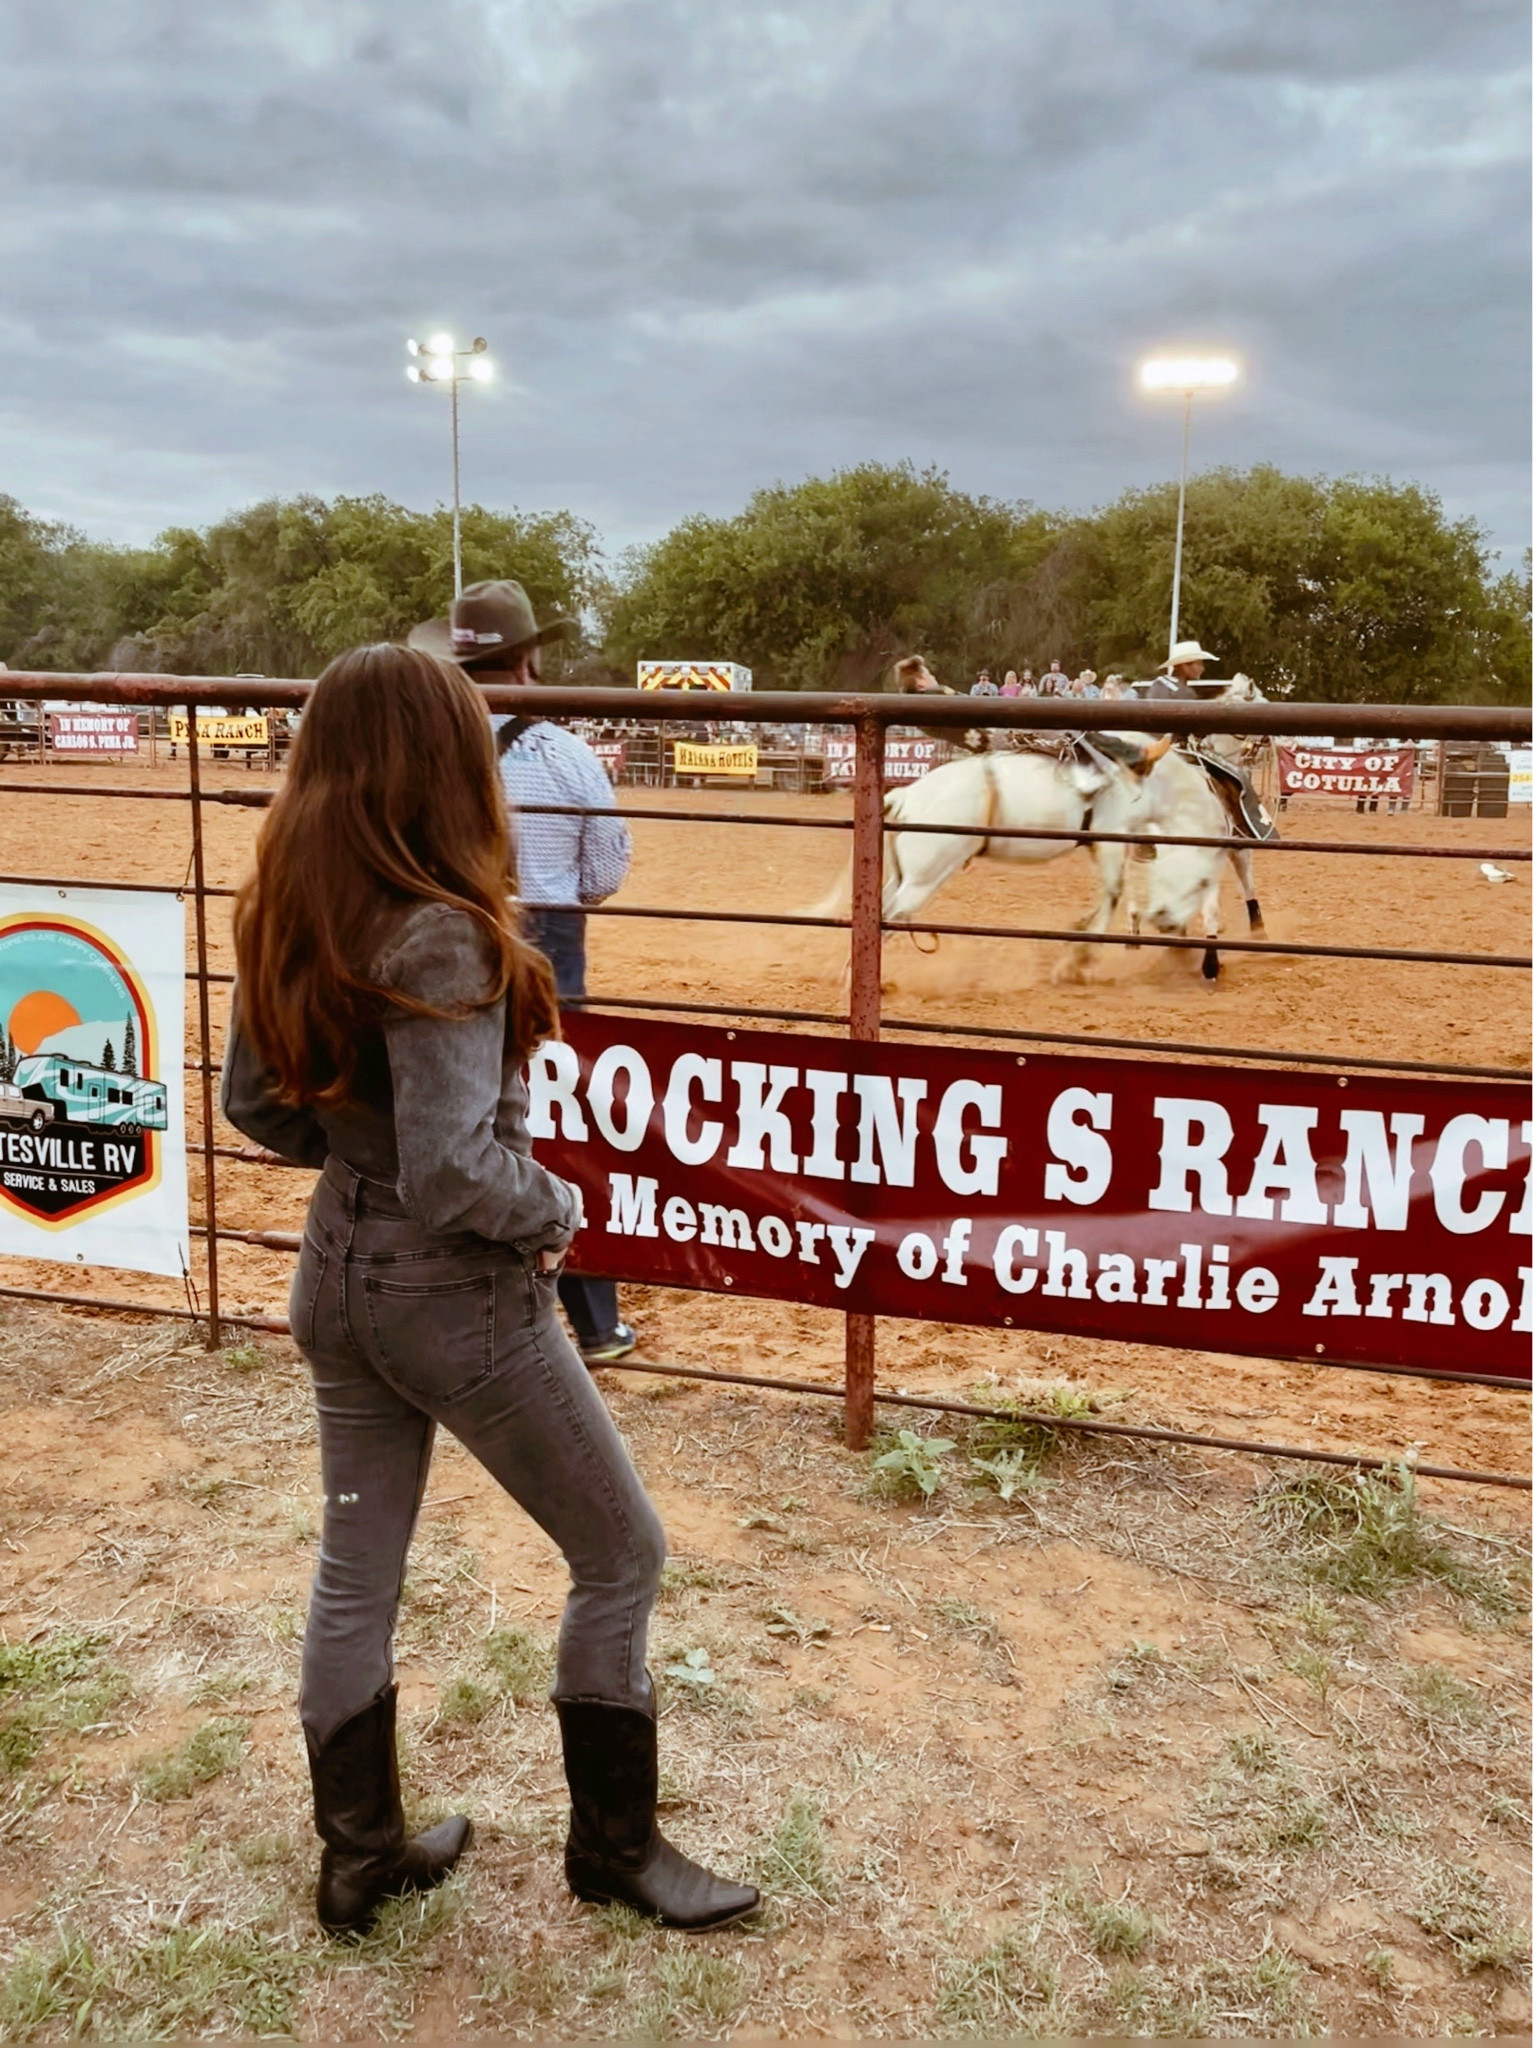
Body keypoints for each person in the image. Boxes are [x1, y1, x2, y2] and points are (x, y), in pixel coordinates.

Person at [221, 643, 757, 1940]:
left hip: (335, 1275)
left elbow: (252, 1105)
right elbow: (460, 1170)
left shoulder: (288, 901)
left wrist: (356, 1155)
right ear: (445, 763)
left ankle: (359, 1858)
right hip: (452, 1295)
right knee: (621, 1550)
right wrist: (556, 1209)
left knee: (356, 1570)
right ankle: (614, 1850)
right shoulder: (445, 931)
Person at [411, 582, 637, 1367]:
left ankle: (466, 1301)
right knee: (559, 1123)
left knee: (453, 1112)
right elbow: (604, 873)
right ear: (527, 661)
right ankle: (595, 1323)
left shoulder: (421, 752)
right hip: (545, 943)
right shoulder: (565, 755)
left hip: (438, 943)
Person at [1147, 639, 1218, 699]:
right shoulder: (1186, 693)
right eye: (1199, 664)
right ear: (1186, 665)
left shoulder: (1158, 683)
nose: (1202, 668)